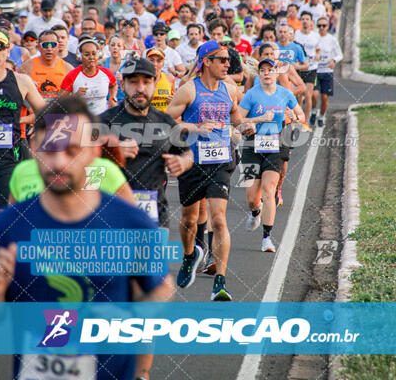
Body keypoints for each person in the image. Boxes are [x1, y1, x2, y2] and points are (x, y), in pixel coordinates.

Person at [0, 96, 173, 380]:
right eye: (49, 149)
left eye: (72, 150)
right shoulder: (6, 227)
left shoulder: (131, 225)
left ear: (93, 151)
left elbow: (156, 293)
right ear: (34, 149)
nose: (58, 162)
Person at [166, 40, 245, 301]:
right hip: (192, 160)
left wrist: (240, 128)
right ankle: (190, 256)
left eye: (228, 59)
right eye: (221, 59)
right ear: (206, 62)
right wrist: (195, 127)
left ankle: (220, 281)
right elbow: (170, 123)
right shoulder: (188, 90)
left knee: (219, 219)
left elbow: (234, 116)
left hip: (221, 160)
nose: (227, 63)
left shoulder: (230, 89)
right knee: (189, 219)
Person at [101, 57, 194, 228]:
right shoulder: (103, 122)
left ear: (154, 85)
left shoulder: (165, 122)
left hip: (154, 212)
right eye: (134, 82)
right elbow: (82, 175)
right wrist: (111, 153)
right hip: (111, 213)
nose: (141, 88)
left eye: (146, 82)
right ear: (123, 86)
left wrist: (183, 162)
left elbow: (187, 153)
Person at [238, 58, 304, 252]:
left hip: (276, 144)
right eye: (263, 70)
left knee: (269, 190)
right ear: (259, 74)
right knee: (252, 198)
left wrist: (294, 118)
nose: (266, 73)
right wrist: (257, 119)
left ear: (277, 73)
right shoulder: (251, 94)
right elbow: (239, 119)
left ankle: (267, 237)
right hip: (252, 145)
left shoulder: (285, 94)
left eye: (270, 70)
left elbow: (301, 116)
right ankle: (255, 212)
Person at [0, 29, 45, 206]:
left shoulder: (21, 81)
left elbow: (45, 113)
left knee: (5, 215)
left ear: (8, 51)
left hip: (8, 162)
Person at [60, 38, 117, 114]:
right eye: (87, 54)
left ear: (98, 55)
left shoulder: (107, 73)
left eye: (94, 54)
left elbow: (114, 85)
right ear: (80, 56)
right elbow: (60, 100)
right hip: (82, 118)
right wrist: (75, 96)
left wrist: (112, 97)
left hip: (103, 118)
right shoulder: (72, 75)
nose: (91, 57)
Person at [19, 30, 73, 101]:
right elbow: (18, 93)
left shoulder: (68, 68)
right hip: (34, 110)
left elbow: (73, 95)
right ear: (38, 47)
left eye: (53, 45)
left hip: (59, 110)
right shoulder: (26, 67)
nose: (49, 49)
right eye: (45, 45)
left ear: (58, 46)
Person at [311, 16, 343, 127]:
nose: (321, 28)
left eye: (324, 26)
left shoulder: (332, 39)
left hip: (327, 71)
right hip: (315, 70)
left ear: (327, 26)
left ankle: (321, 116)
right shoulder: (314, 38)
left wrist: (334, 60)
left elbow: (340, 55)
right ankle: (314, 110)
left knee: (324, 97)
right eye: (319, 26)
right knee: (313, 94)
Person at [294, 12, 321, 131]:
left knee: (308, 95)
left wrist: (318, 55)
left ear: (311, 22)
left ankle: (306, 122)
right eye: (303, 19)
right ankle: (297, 118)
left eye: (307, 19)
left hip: (311, 68)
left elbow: (319, 50)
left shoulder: (315, 36)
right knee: (298, 95)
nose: (305, 21)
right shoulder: (296, 35)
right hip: (299, 68)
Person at [146, 47, 175, 112]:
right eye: (151, 60)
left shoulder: (170, 78)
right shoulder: (140, 80)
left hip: (164, 119)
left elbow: (175, 104)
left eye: (159, 61)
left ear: (163, 64)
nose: (155, 64)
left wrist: (173, 102)